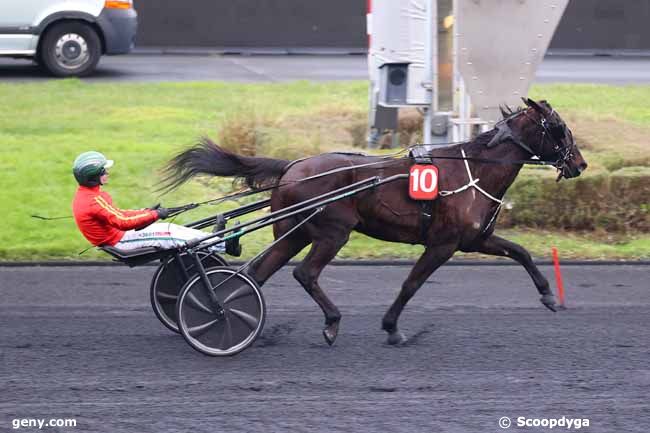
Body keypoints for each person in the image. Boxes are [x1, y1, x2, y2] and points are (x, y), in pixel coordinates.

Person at [71, 151, 224, 252]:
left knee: (169, 228)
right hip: (119, 242)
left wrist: (146, 212)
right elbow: (123, 221)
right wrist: (155, 215)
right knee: (168, 232)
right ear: (93, 176)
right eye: (104, 171)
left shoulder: (87, 195)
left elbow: (119, 214)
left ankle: (214, 240)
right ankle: (221, 245)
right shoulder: (95, 200)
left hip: (118, 237)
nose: (108, 173)